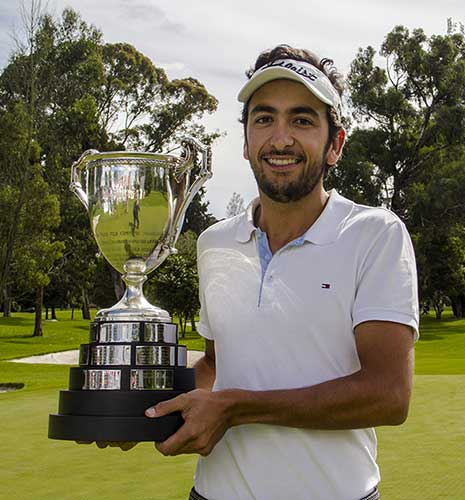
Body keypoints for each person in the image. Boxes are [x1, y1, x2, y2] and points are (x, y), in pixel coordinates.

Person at [146, 45, 419, 500]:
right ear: (246, 142)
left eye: (302, 120)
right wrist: (137, 410)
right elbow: (217, 363)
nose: (280, 138)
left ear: (335, 144)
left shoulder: (375, 234)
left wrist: (235, 409)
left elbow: (389, 394)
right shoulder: (214, 243)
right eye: (264, 118)